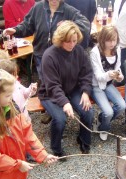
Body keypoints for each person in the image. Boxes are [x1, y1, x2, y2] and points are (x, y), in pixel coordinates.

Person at [38, 21, 94, 158]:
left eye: (74, 41)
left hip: (72, 88)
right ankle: (56, 147)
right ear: (60, 39)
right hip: (50, 93)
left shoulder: (79, 51)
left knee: (88, 111)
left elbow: (86, 73)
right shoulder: (49, 56)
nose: (72, 44)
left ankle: (83, 140)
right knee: (60, 118)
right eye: (68, 41)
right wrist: (65, 102)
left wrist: (86, 92)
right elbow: (52, 85)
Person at [3, 0, 90, 81]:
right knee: (46, 83)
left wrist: (69, 25)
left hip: (60, 57)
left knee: (59, 83)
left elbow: (85, 24)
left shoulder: (68, 10)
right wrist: (16, 30)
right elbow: (27, 25)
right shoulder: (38, 8)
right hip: (40, 55)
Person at [90, 25, 126, 141]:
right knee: (109, 112)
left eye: (114, 40)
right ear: (103, 39)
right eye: (109, 40)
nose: (112, 43)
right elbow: (99, 76)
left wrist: (119, 76)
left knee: (122, 106)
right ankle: (104, 128)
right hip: (96, 86)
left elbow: (118, 68)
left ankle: (101, 119)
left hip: (109, 84)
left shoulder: (117, 49)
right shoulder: (95, 52)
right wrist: (109, 74)